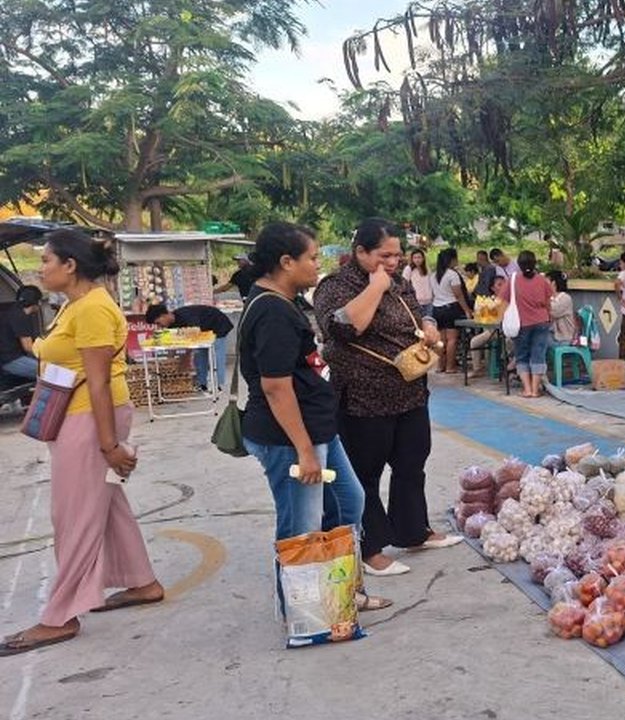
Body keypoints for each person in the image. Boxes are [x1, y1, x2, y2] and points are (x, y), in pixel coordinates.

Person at [0, 229, 163, 657]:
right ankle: (142, 581)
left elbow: (100, 383)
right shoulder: (76, 306)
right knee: (105, 505)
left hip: (91, 417)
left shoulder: (90, 309)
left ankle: (61, 616)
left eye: (47, 260)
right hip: (82, 414)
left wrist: (109, 444)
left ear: (70, 265)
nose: (41, 268)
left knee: (73, 515)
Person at [237, 222, 388, 611]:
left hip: (318, 430)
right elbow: (276, 387)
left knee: (349, 503)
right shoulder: (271, 312)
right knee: (301, 527)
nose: (316, 265)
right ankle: (305, 613)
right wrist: (303, 450)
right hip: (290, 438)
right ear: (286, 262)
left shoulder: (284, 303)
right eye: (312, 258)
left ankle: (344, 593)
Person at [315, 218, 461, 576]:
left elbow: (419, 309)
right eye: (384, 256)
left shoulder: (398, 282)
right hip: (364, 396)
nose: (393, 263)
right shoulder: (335, 286)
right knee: (365, 473)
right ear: (360, 252)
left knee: (411, 463)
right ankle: (370, 546)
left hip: (409, 390)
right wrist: (376, 287)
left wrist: (428, 325)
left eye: (396, 255)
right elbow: (346, 328)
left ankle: (413, 530)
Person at [144, 302, 234, 391]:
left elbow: (193, 340)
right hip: (202, 331)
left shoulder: (187, 316)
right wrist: (173, 360)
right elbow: (176, 343)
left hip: (217, 325)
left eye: (158, 323)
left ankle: (218, 384)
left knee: (216, 355)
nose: (160, 327)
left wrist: (185, 359)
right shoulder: (170, 325)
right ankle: (202, 383)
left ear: (164, 315)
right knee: (200, 356)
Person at [509, 250, 555, 398]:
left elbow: (503, 301)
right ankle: (536, 390)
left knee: (521, 355)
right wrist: (549, 316)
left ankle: (527, 389)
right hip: (541, 321)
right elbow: (548, 302)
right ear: (535, 263)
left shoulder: (513, 279)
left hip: (521, 323)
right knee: (538, 354)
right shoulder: (542, 280)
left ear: (519, 265)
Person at [430, 247, 471, 373]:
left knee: (441, 340)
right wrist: (467, 310)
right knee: (452, 339)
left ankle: (439, 366)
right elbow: (458, 295)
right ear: (451, 260)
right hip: (450, 308)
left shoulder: (433, 275)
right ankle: (450, 367)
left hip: (437, 309)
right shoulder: (452, 275)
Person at [0, 285, 42, 379]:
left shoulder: (13, 311)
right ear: (36, 302)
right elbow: (28, 347)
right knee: (49, 372)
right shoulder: (21, 317)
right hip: (10, 361)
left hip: (7, 358)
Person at [402, 248, 434, 319]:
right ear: (412, 259)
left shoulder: (427, 269)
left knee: (429, 322)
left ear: (423, 258)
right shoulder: (409, 269)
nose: (417, 260)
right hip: (416, 302)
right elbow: (404, 284)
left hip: (428, 302)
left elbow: (431, 284)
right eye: (415, 257)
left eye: (419, 257)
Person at [548, 270, 577, 345]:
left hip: (563, 338)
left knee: (538, 339)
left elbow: (552, 312)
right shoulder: (550, 298)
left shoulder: (565, 299)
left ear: (553, 283)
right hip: (553, 335)